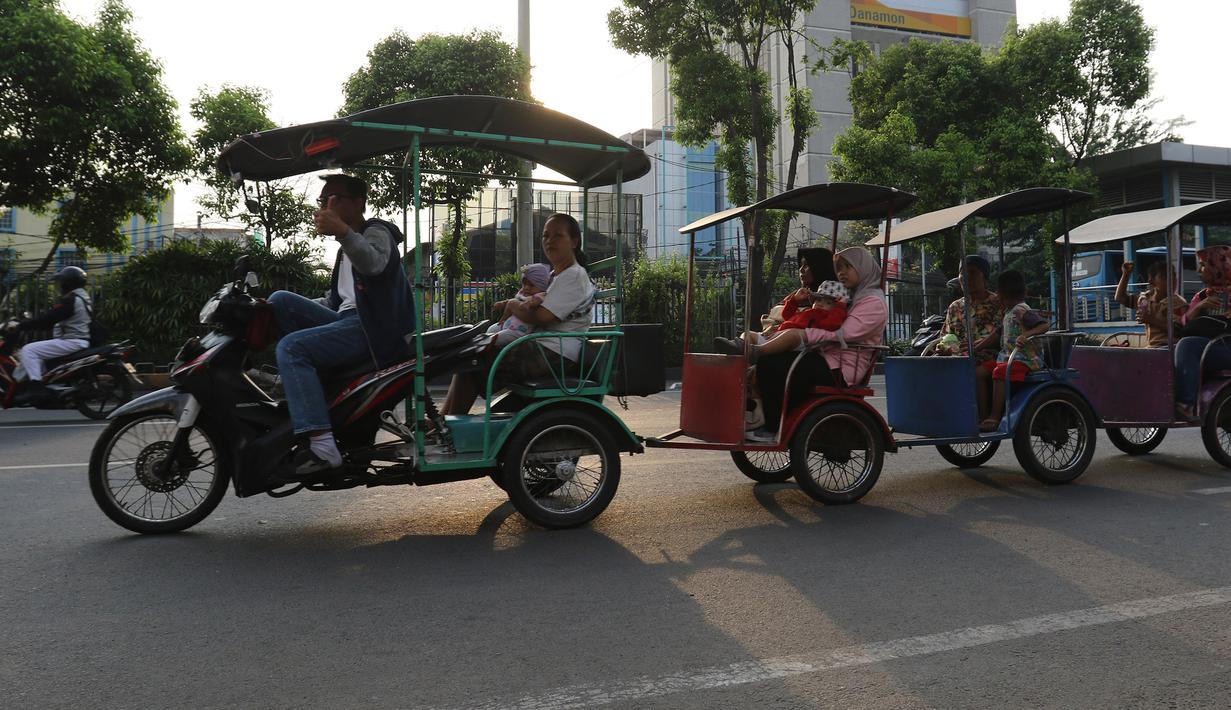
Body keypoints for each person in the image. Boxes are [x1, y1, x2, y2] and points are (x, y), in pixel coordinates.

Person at [268, 174, 415, 475]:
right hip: (347, 320)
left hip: (373, 328)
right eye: (323, 200)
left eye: (334, 199)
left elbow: (374, 264)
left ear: (358, 203)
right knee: (279, 300)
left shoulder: (377, 232)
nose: (327, 205)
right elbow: (337, 302)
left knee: (292, 348)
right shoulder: (343, 249)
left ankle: (323, 447)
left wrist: (343, 232)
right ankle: (306, 384)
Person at [441, 213, 595, 415]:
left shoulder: (574, 275)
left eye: (558, 236)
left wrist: (513, 306)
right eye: (545, 236)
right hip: (540, 346)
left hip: (555, 354)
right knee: (471, 356)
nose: (549, 241)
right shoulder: (555, 276)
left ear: (574, 241)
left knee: (474, 361)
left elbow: (542, 317)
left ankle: (446, 423)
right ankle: (445, 419)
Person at [747, 247, 888, 442]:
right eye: (839, 268)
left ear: (862, 268)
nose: (842, 273)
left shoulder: (873, 302)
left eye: (848, 267)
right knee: (771, 361)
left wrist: (804, 335)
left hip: (842, 367)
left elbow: (846, 333)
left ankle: (773, 427)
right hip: (827, 357)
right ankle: (767, 419)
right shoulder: (854, 296)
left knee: (772, 365)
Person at [3, 266, 92, 403]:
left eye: (61, 282)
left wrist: (21, 326)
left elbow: (49, 318)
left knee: (29, 350)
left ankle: (36, 389)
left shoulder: (71, 300)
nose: (59, 286)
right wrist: (29, 324)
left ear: (68, 283)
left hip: (72, 341)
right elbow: (50, 322)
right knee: (31, 355)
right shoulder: (82, 298)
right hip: (75, 339)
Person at [978, 270, 1050, 431]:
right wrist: (976, 348)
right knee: (980, 372)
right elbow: (997, 334)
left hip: (1027, 360)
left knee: (999, 372)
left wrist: (1026, 335)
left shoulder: (1021, 310)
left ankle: (994, 417)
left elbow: (1044, 325)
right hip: (1008, 358)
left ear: (1001, 295)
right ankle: (982, 416)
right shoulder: (1009, 312)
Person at [714, 280, 849, 362]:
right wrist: (795, 300)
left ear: (835, 307)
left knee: (790, 334)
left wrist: (840, 307)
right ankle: (738, 347)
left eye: (827, 302)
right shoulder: (807, 312)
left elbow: (832, 324)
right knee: (748, 334)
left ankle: (755, 351)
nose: (820, 304)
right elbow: (786, 315)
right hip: (777, 335)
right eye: (818, 300)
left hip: (796, 342)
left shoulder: (828, 317)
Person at [1174, 245, 1231, 419]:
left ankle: (1187, 404)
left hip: (1226, 347)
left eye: (1204, 265)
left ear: (1219, 266)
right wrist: (1199, 307)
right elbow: (1183, 325)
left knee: (1188, 346)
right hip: (1209, 347)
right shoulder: (1201, 296)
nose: (1199, 269)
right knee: (1166, 350)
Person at [934, 254, 1002, 361]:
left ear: (984, 277)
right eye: (963, 273)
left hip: (989, 361)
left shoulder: (1000, 303)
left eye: (973, 273)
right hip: (957, 360)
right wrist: (944, 348)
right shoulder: (955, 307)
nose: (967, 277)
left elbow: (1008, 335)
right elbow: (945, 337)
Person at [1113, 261, 1186, 348]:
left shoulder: (1178, 302)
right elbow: (1120, 298)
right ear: (1152, 282)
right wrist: (1126, 274)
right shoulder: (1145, 298)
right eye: (1164, 277)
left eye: (1173, 276)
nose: (1171, 280)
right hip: (1152, 347)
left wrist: (1152, 319)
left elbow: (1179, 331)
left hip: (1170, 347)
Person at [486, 263, 552, 348]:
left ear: (542, 286)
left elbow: (537, 300)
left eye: (531, 285)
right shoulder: (524, 292)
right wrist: (502, 303)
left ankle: (490, 347)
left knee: (497, 337)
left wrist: (530, 303)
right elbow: (514, 300)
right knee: (491, 329)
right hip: (508, 324)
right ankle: (489, 346)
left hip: (520, 331)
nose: (526, 288)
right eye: (524, 284)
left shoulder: (540, 295)